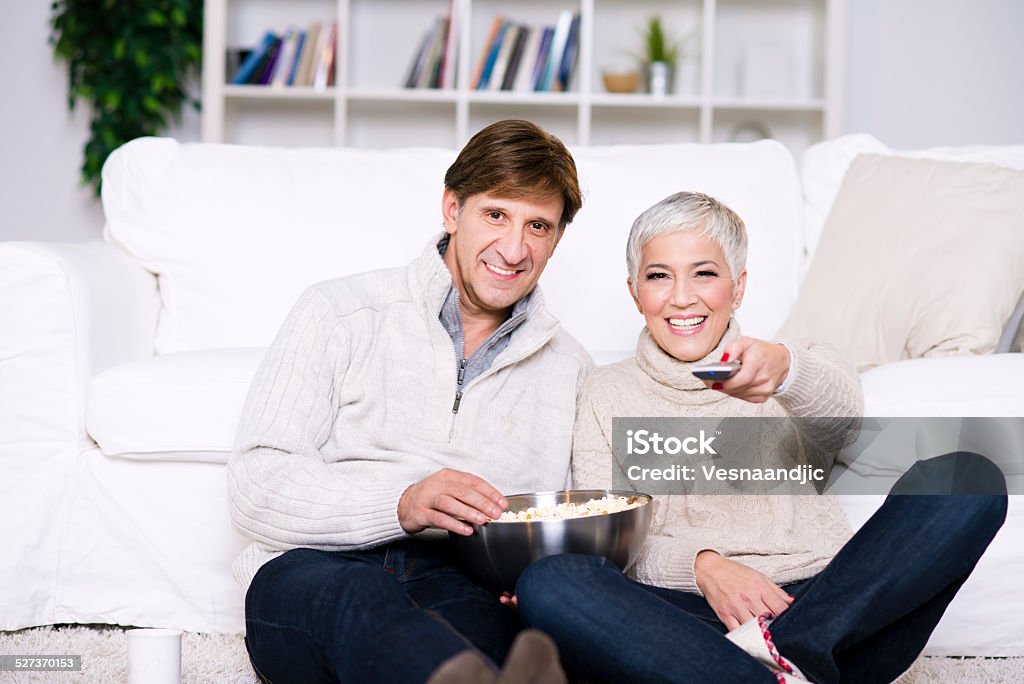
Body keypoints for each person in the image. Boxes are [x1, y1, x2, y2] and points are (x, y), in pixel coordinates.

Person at [514, 191, 1008, 684]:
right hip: (696, 619)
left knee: (967, 477)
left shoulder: (793, 367)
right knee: (552, 580)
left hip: (834, 608)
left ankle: (793, 653)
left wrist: (786, 371)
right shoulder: (605, 391)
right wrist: (706, 567)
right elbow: (616, 542)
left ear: (739, 286)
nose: (681, 296)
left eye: (704, 273)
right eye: (659, 276)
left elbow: (842, 423)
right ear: (634, 291)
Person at [228, 119, 591, 684]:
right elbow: (255, 485)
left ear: (556, 240)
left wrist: (529, 580)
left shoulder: (570, 368)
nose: (514, 248)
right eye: (496, 214)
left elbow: (575, 521)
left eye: (537, 226)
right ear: (452, 210)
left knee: (491, 645)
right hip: (317, 571)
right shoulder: (339, 312)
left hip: (459, 582)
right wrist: (401, 503)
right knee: (359, 599)